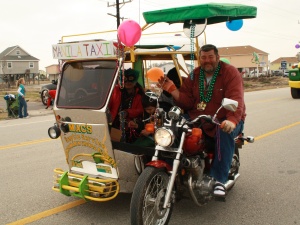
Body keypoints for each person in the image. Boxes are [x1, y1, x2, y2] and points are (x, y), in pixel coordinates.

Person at [158, 44, 246, 197]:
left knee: (223, 130)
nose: (207, 61)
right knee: (172, 126)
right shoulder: (194, 75)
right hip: (199, 118)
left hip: (224, 118)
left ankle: (219, 179)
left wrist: (231, 120)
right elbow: (187, 102)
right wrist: (172, 89)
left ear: (217, 57)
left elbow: (236, 98)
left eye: (211, 57)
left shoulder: (229, 72)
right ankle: (173, 168)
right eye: (204, 58)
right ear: (200, 59)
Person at [108, 68, 144, 142]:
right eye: (125, 79)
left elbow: (140, 110)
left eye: (131, 79)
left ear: (135, 80)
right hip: (114, 123)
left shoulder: (139, 94)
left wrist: (127, 112)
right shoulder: (115, 90)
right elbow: (108, 104)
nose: (128, 82)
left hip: (131, 126)